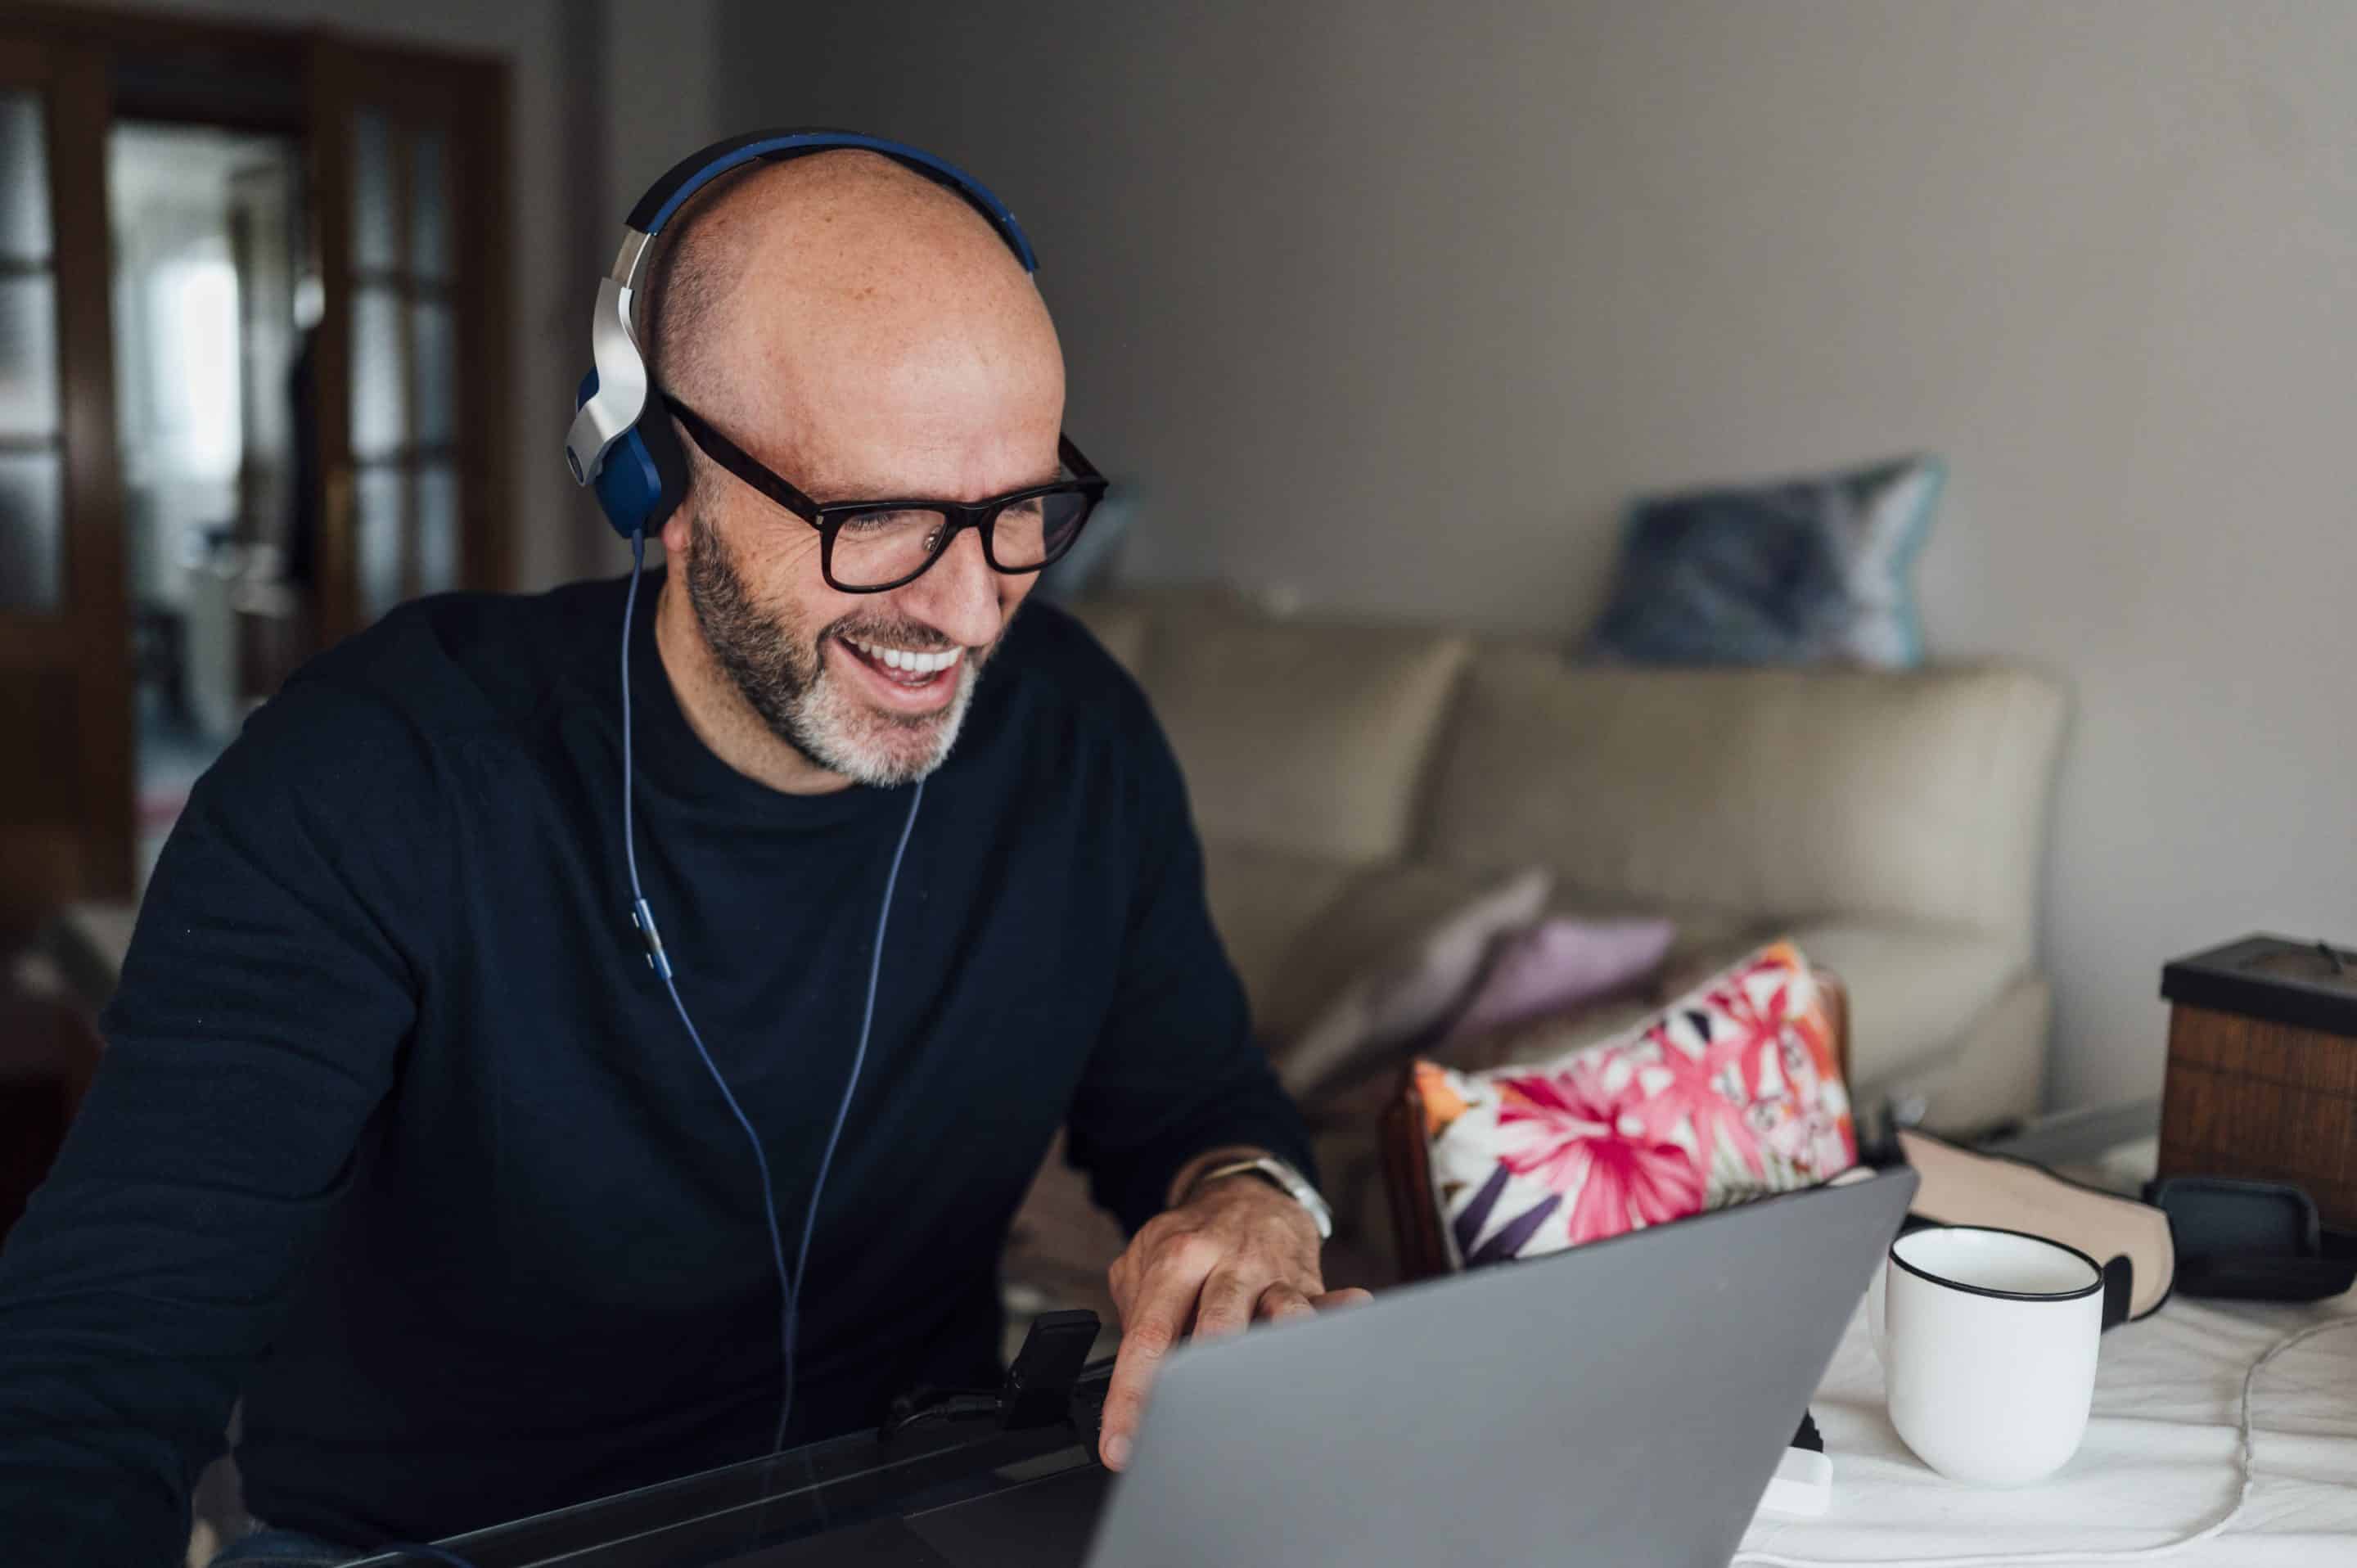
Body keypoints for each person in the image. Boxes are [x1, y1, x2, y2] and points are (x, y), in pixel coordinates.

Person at [0, 144, 1364, 1566]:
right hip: (451, 1546)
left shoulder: (1075, 737)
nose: (970, 609)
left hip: (913, 1512)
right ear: (653, 471)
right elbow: (98, 1360)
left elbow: (1200, 1097)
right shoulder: (370, 778)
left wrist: (1251, 1203)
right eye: (880, 517)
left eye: (1021, 506)